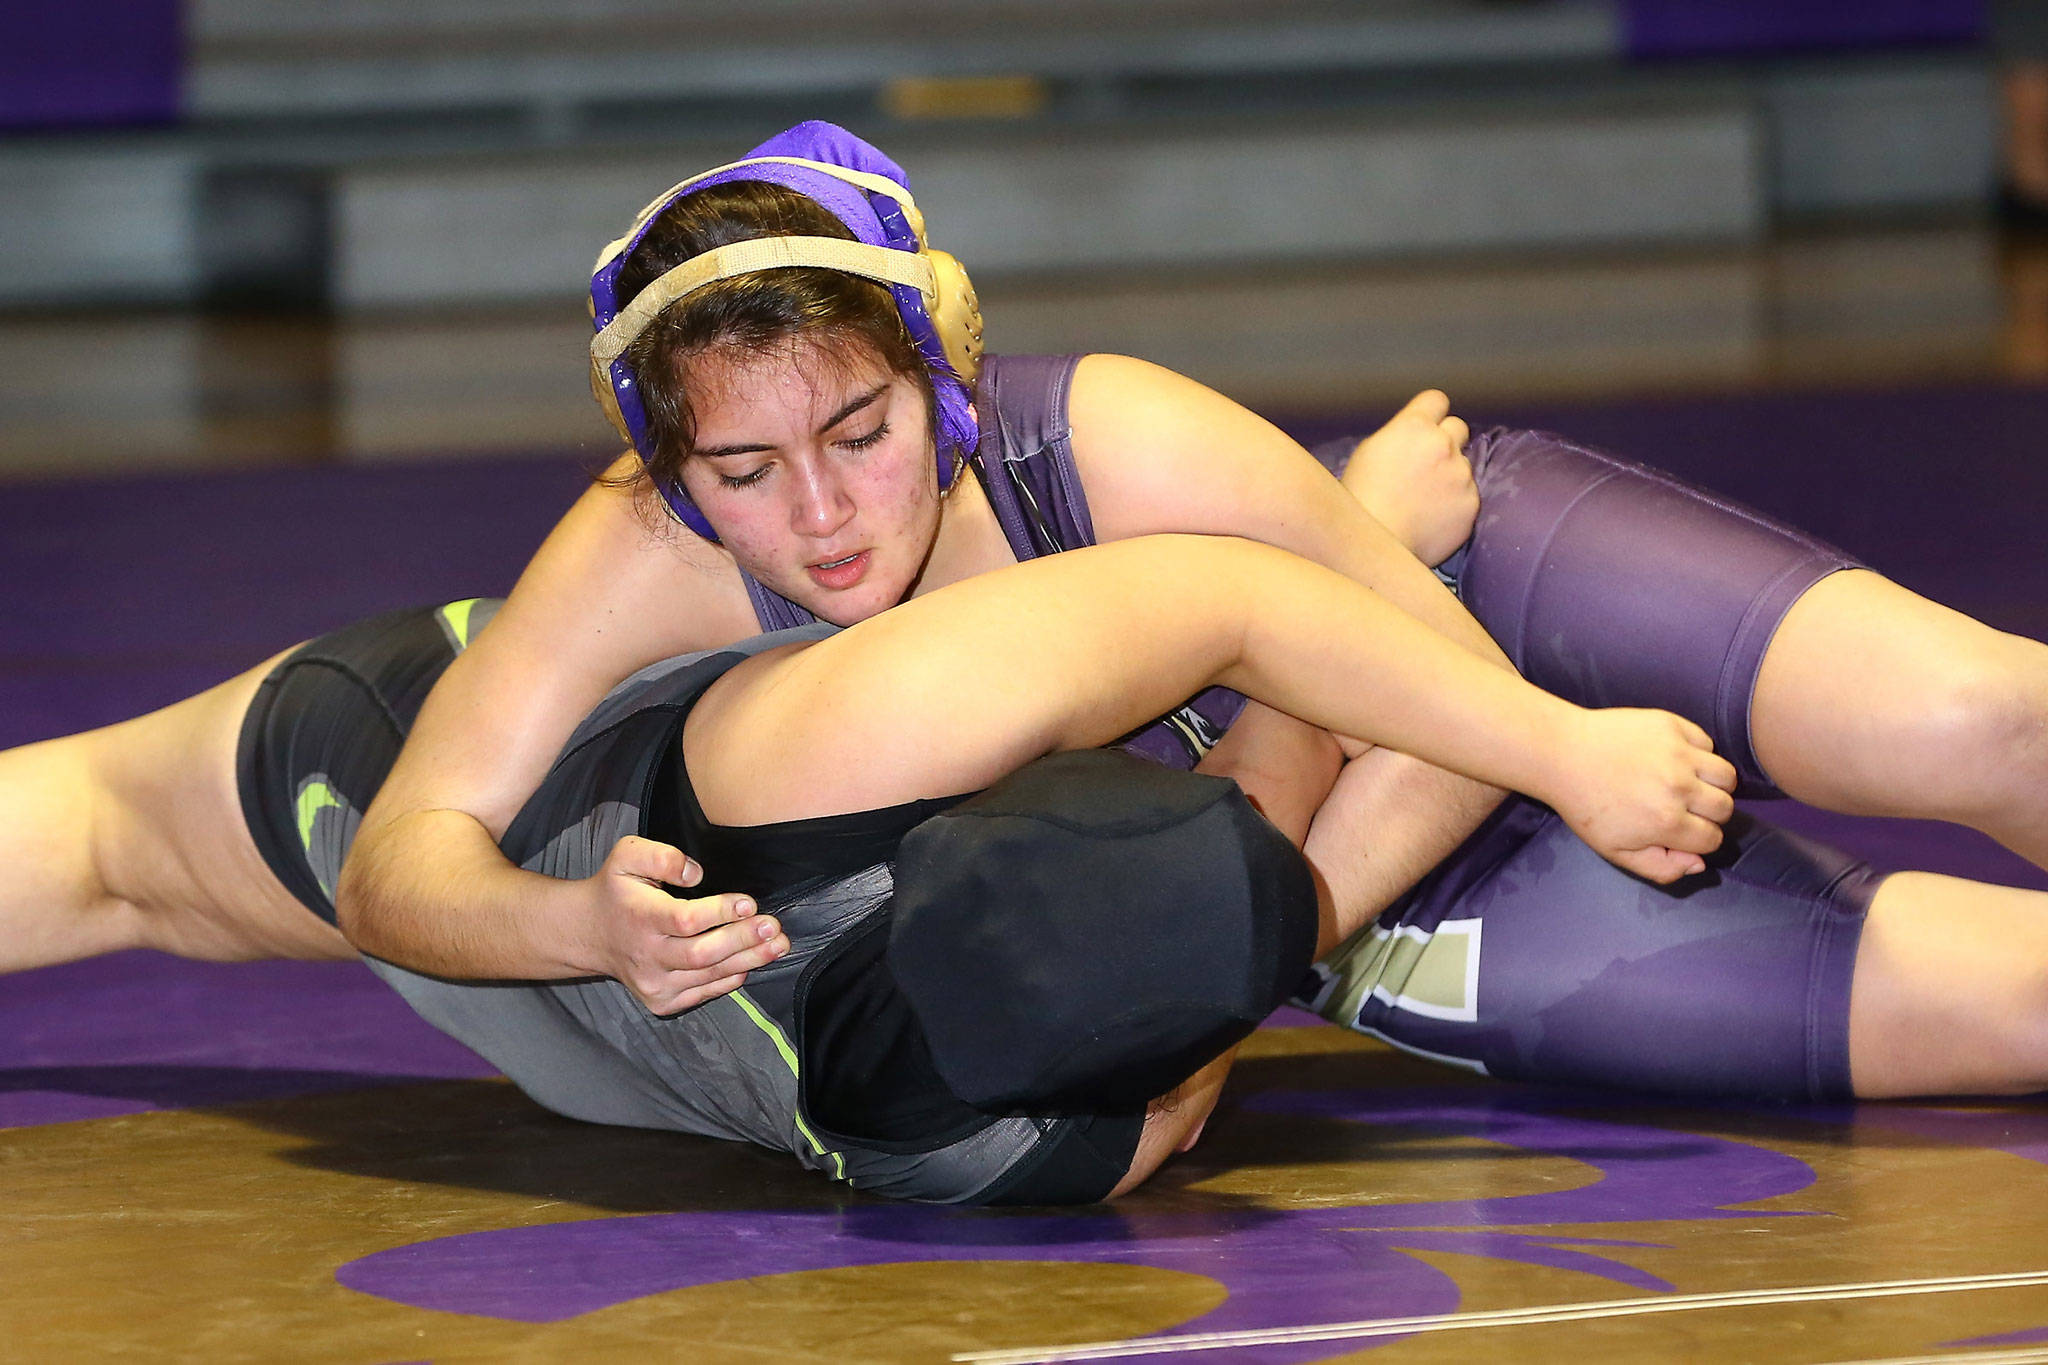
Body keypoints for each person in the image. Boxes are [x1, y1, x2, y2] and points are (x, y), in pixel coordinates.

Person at [338, 120, 2048, 1044]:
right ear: (670, 471)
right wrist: (573, 925)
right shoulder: (643, 548)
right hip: (1364, 870)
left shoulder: (1109, 439)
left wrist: (1546, 750)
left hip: (1475, 631)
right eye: (741, 474)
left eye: (860, 431)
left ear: (941, 382)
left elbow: (1444, 680)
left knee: (1997, 713)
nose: (822, 515)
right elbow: (400, 865)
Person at [0, 532, 1746, 1202]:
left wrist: (1353, 673)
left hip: (487, 863)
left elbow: (1254, 681)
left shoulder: (872, 765)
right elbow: (1274, 837)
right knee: (107, 862)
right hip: (475, 821)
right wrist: (1540, 734)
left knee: (103, 850)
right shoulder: (1024, 1148)